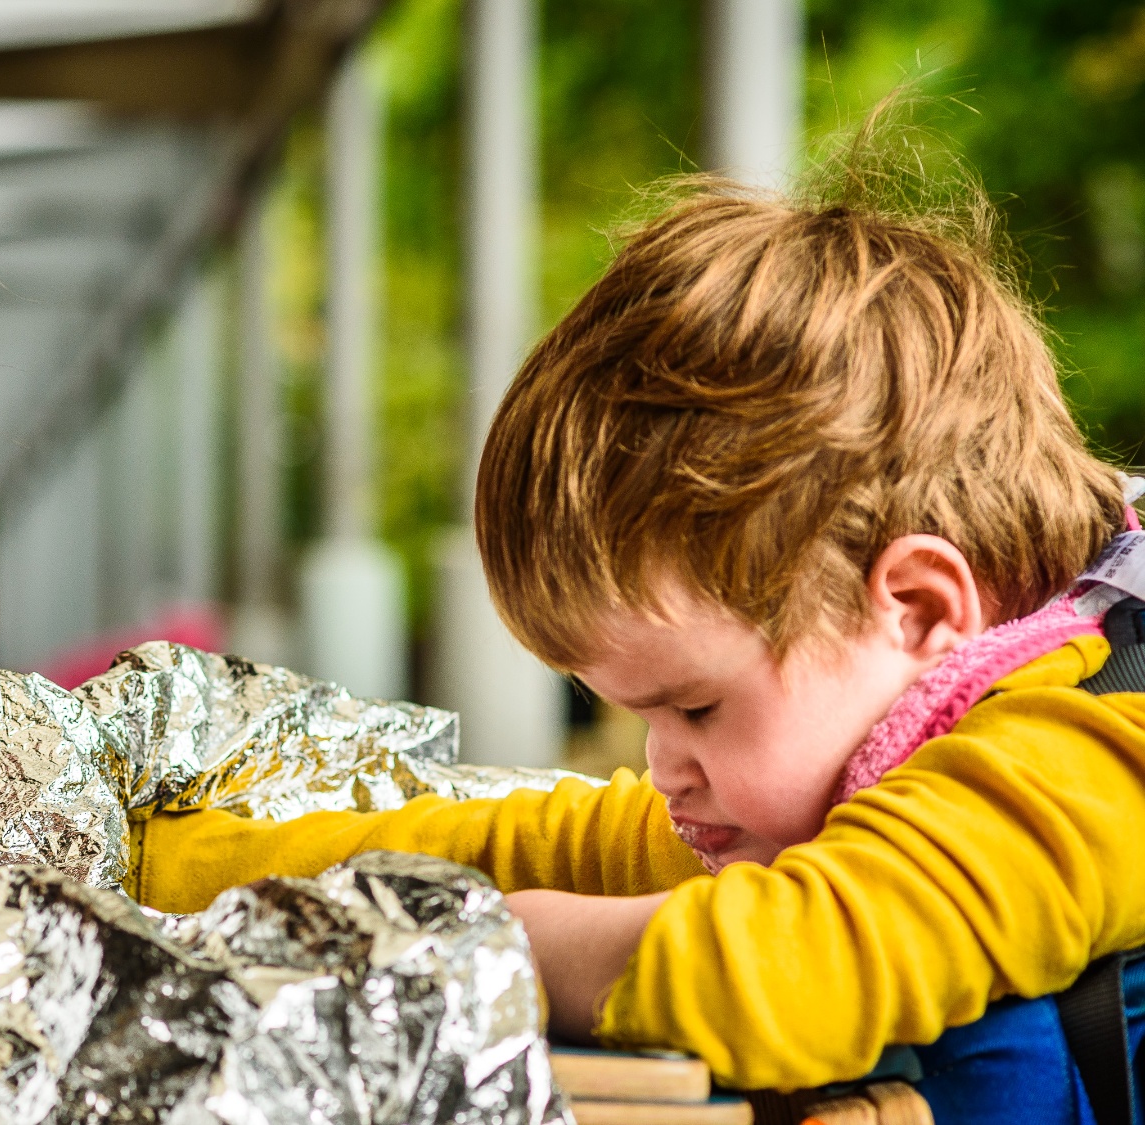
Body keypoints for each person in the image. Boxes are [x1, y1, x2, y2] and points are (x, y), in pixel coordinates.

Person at [128, 123, 1145, 1105]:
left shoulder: (1099, 750)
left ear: (919, 608)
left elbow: (777, 976)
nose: (663, 764)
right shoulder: (849, 745)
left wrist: (479, 937)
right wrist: (161, 867)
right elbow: (552, 843)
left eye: (693, 708)